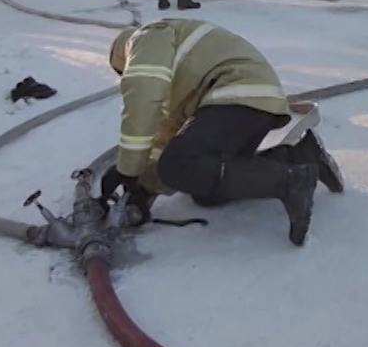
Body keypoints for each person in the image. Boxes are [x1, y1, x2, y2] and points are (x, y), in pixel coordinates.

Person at [99, 20, 339, 246]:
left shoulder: (146, 39)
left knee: (179, 165)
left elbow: (141, 100)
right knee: (203, 187)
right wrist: (143, 188)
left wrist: (127, 169)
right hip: (253, 101)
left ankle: (290, 182)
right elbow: (165, 141)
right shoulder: (174, 77)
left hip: (237, 90)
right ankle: (298, 156)